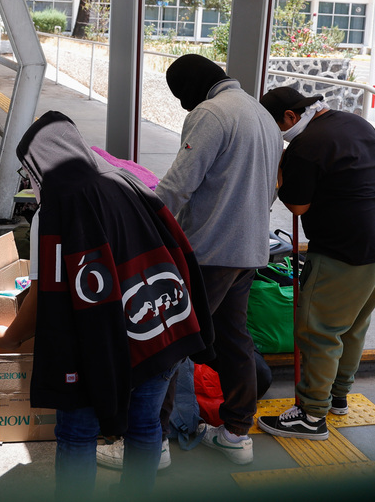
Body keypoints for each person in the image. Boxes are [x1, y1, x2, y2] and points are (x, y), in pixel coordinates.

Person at [0, 110, 212, 501]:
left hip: (99, 344)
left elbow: (45, 299)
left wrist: (5, 339)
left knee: (78, 433)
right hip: (159, 327)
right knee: (144, 426)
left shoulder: (56, 210)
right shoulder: (124, 181)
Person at [146, 54, 282, 465]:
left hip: (209, 252)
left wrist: (139, 219)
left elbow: (178, 184)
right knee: (233, 338)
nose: (183, 105)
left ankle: (154, 442)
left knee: (169, 342)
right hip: (250, 249)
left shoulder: (211, 113)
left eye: (180, 96)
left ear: (189, 89)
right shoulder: (262, 115)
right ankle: (236, 434)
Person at [255, 86, 375, 440]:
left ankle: (310, 415)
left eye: (275, 128)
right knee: (352, 326)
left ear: (290, 117)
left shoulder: (307, 146)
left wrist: (278, 163)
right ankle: (337, 396)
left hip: (342, 251)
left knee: (318, 330)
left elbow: (297, 206)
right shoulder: (354, 123)